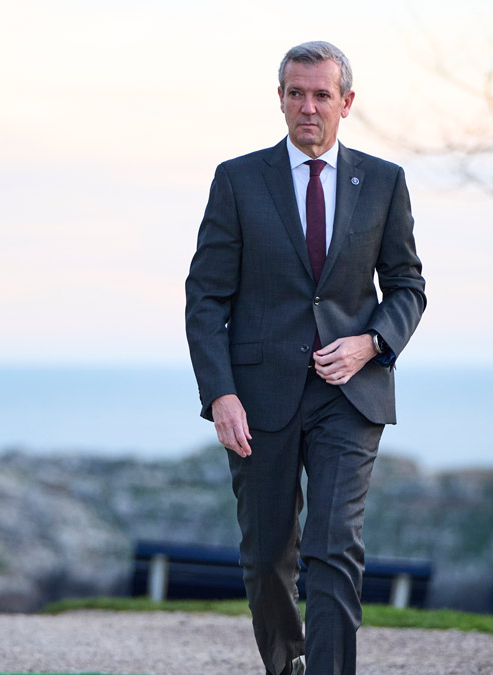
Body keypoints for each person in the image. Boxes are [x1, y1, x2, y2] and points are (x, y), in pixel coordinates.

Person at [184, 41, 427, 675]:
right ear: (281, 99)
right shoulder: (237, 180)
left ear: (346, 102)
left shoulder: (382, 182)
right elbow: (206, 295)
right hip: (259, 397)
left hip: (350, 394)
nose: (308, 107)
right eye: (296, 93)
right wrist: (220, 394)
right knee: (267, 556)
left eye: (322, 95)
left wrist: (372, 341)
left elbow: (407, 285)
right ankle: (286, 662)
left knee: (332, 546)